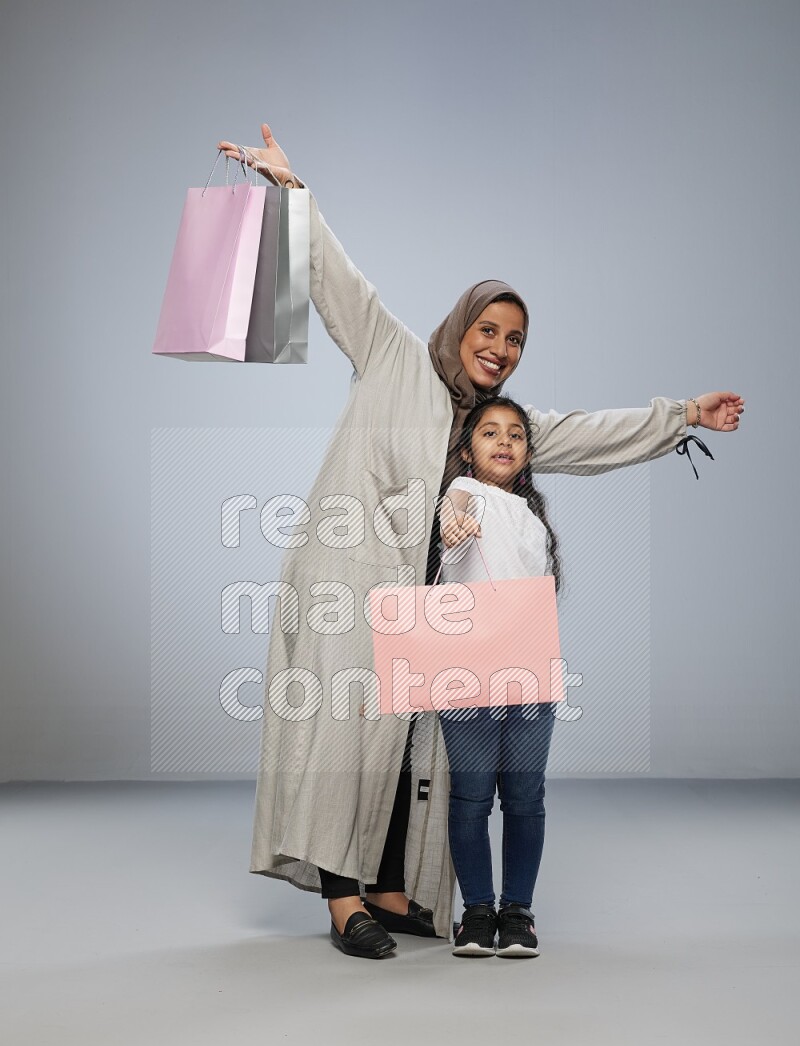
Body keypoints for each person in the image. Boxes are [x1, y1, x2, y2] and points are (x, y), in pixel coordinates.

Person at [218, 124, 745, 959]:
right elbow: (336, 281)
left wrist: (681, 414)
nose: (500, 349)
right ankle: (342, 898)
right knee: (348, 738)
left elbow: (585, 433)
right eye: (490, 330)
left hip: (433, 609)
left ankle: (389, 883)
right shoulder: (394, 357)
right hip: (348, 578)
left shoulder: (501, 426)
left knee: (410, 741)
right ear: (462, 324)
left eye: (515, 341)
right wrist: (292, 190)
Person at [438, 396, 561, 958]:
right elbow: (451, 514)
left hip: (529, 673)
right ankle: (477, 913)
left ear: (527, 452)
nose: (504, 442)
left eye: (515, 434)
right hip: (466, 674)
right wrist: (453, 523)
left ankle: (518, 913)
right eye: (490, 433)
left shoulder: (534, 519)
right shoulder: (467, 494)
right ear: (468, 450)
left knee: (524, 796)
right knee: (469, 798)